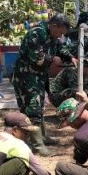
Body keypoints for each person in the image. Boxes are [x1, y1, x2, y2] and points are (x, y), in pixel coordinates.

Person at [11, 13, 71, 156]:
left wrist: (70, 57)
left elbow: (60, 47)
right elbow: (37, 58)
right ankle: (37, 146)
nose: (60, 36)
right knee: (32, 109)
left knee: (39, 107)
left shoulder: (52, 35)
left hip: (38, 77)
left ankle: (43, 137)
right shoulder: (37, 33)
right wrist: (53, 60)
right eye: (60, 32)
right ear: (54, 26)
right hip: (26, 77)